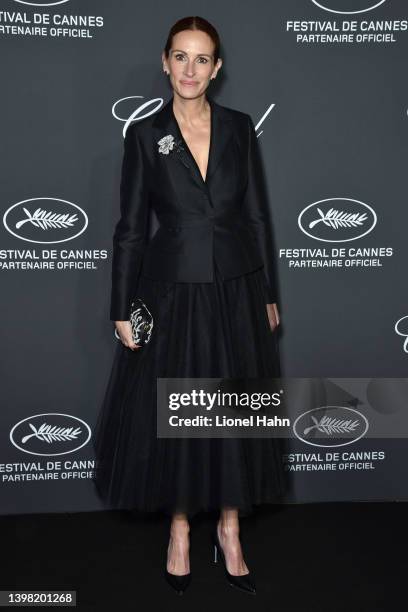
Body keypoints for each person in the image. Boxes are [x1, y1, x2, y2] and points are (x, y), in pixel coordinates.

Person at [92, 15, 285, 596]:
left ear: (217, 69)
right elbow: (130, 227)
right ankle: (178, 529)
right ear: (165, 61)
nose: (190, 70)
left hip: (236, 289)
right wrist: (122, 304)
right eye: (181, 57)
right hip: (170, 293)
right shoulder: (144, 135)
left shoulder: (239, 128)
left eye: (202, 59)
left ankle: (229, 529)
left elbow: (255, 216)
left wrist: (269, 291)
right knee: (176, 409)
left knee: (232, 410)